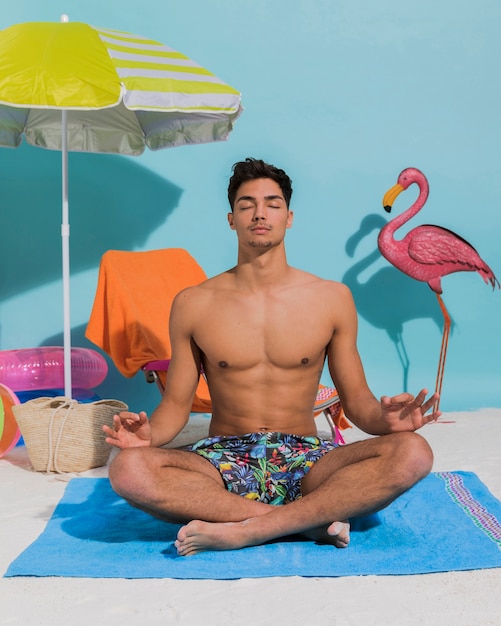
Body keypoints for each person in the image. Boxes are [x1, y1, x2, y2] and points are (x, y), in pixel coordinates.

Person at [104, 157, 439, 556]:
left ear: (289, 217)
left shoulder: (331, 299)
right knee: (127, 468)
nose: (260, 213)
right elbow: (176, 406)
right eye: (246, 204)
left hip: (308, 458)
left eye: (272, 203)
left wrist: (386, 421)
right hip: (223, 457)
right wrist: (147, 437)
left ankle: (247, 528)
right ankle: (305, 523)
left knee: (413, 450)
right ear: (232, 219)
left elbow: (358, 403)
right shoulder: (193, 303)